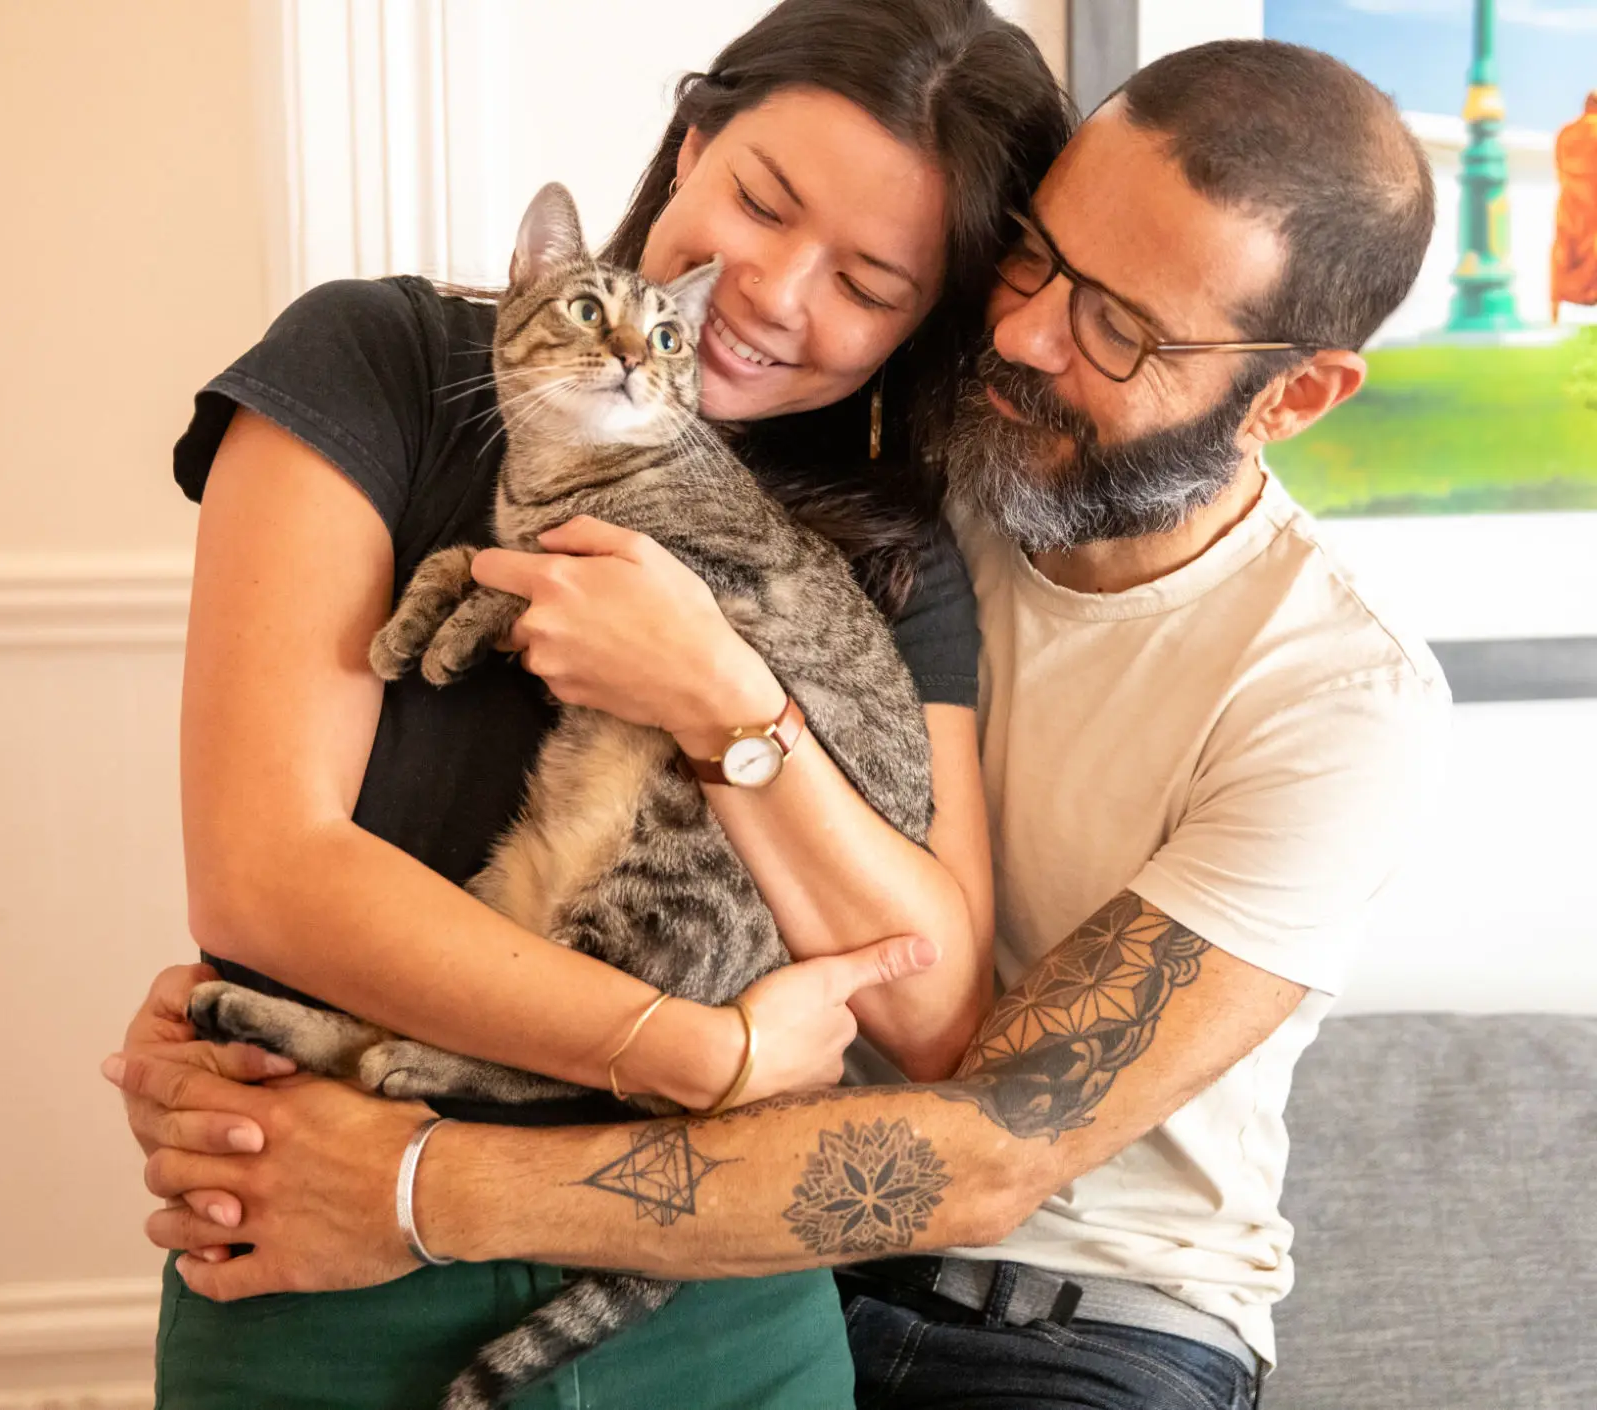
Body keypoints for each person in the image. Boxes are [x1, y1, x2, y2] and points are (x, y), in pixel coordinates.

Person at [112, 38, 1454, 1410]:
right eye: (1031, 262)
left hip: (1052, 1314)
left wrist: (418, 1176)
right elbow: (268, 863)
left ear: (1293, 394)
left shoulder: (1316, 694)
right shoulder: (945, 482)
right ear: (692, 141)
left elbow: (978, 1123)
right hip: (759, 1236)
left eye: (1118, 326)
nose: (1025, 336)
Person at [132, 1, 1071, 1405]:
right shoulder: (376, 363)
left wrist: (720, 694)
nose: (770, 292)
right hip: (311, 1243)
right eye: (760, 198)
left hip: (715, 1307)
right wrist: (705, 1051)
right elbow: (264, 872)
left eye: (869, 284)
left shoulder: (889, 549)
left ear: (919, 328)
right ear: (690, 141)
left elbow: (929, 1006)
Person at [1552, 91, 1597, 323]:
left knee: (1564, 257)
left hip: (1570, 206)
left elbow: (1559, 168)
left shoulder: (1566, 133)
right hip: (1594, 209)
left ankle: (1556, 315)